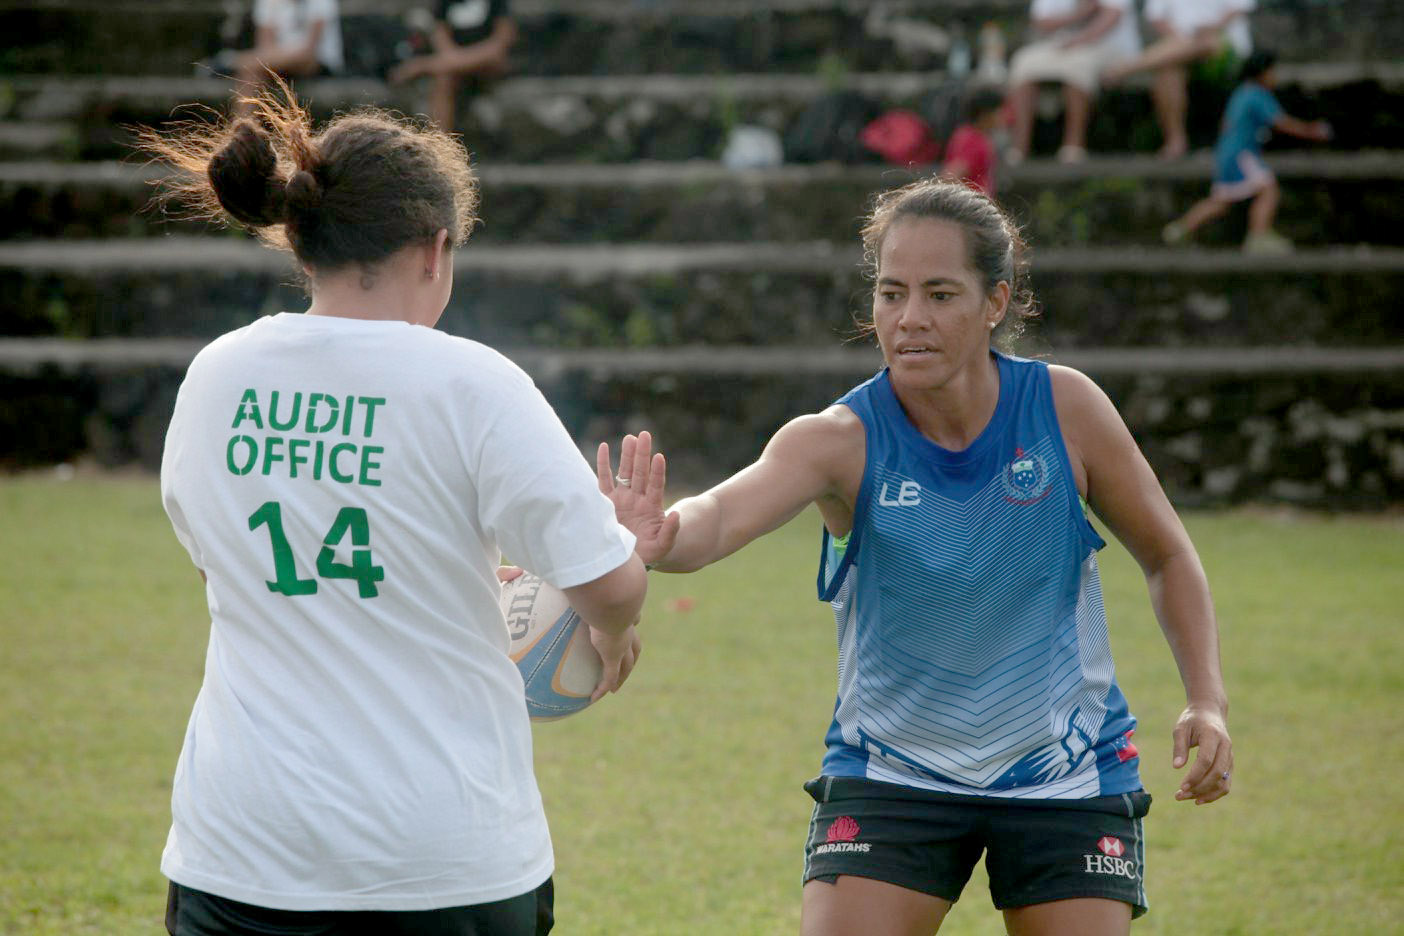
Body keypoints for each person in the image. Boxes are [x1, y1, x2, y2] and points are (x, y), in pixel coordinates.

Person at [604, 177, 1233, 935]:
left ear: (995, 302)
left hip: (1065, 771)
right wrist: (663, 535)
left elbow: (1167, 555)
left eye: (939, 294)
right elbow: (720, 514)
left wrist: (1206, 700)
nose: (909, 320)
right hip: (890, 772)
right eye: (891, 293)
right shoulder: (839, 439)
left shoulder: (1066, 410)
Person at [137, 75, 648, 935]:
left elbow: (219, 558)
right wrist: (615, 590)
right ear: (436, 249)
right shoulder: (474, 382)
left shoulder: (217, 374)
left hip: (240, 850)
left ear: (304, 246)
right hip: (439, 861)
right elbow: (610, 587)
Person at [1163, 49, 1332, 254]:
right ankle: (1258, 237)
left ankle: (1179, 230)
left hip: (1226, 153)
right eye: (1272, 72)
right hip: (1241, 154)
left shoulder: (1241, 93)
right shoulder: (1257, 95)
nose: (1274, 77)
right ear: (1261, 73)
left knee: (1221, 202)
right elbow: (1281, 123)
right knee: (1269, 188)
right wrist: (1311, 130)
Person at [1102, 0, 1256, 159]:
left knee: (1203, 43)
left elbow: (1239, 8)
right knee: (1167, 70)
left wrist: (1212, 28)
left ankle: (1127, 68)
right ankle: (1176, 141)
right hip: (1181, 48)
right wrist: (1181, 38)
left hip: (1225, 46)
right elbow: (1156, 18)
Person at [1005, 0, 1141, 164]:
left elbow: (1111, 18)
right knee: (1023, 63)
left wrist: (1078, 40)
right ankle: (1019, 148)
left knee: (1076, 67)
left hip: (1110, 49)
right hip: (1061, 47)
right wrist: (1079, 14)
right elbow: (1041, 22)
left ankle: (1073, 147)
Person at [388, 0, 518, 131]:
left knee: (446, 69)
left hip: (487, 65)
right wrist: (453, 61)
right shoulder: (445, 3)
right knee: (443, 79)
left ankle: (424, 65)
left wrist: (427, 64)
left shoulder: (497, 3)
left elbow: (498, 46)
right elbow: (440, 36)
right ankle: (440, 142)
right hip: (453, 68)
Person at [231, 0, 345, 117]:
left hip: (317, 64)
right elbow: (265, 47)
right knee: (251, 72)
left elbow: (309, 51)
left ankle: (233, 61)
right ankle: (246, 127)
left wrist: (273, 56)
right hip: (277, 65)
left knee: (250, 65)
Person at [940, 86, 1007, 195]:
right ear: (985, 114)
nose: (1003, 116)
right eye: (999, 111)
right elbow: (951, 175)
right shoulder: (974, 140)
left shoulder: (966, 134)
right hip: (970, 206)